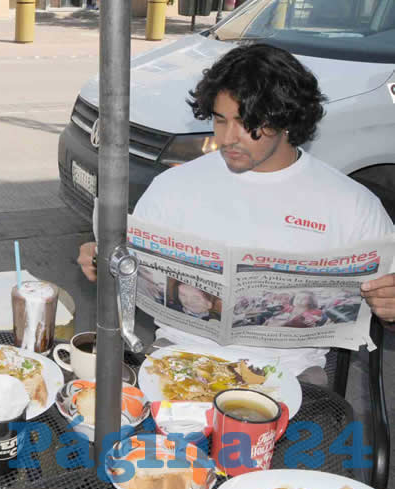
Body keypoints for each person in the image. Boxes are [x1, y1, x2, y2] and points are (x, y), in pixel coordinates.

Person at [77, 43, 395, 381]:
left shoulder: (350, 204)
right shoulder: (174, 187)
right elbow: (131, 274)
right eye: (219, 119)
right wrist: (105, 262)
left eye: (246, 123)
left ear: (287, 119)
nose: (227, 138)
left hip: (289, 376)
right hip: (178, 363)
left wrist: (390, 310)